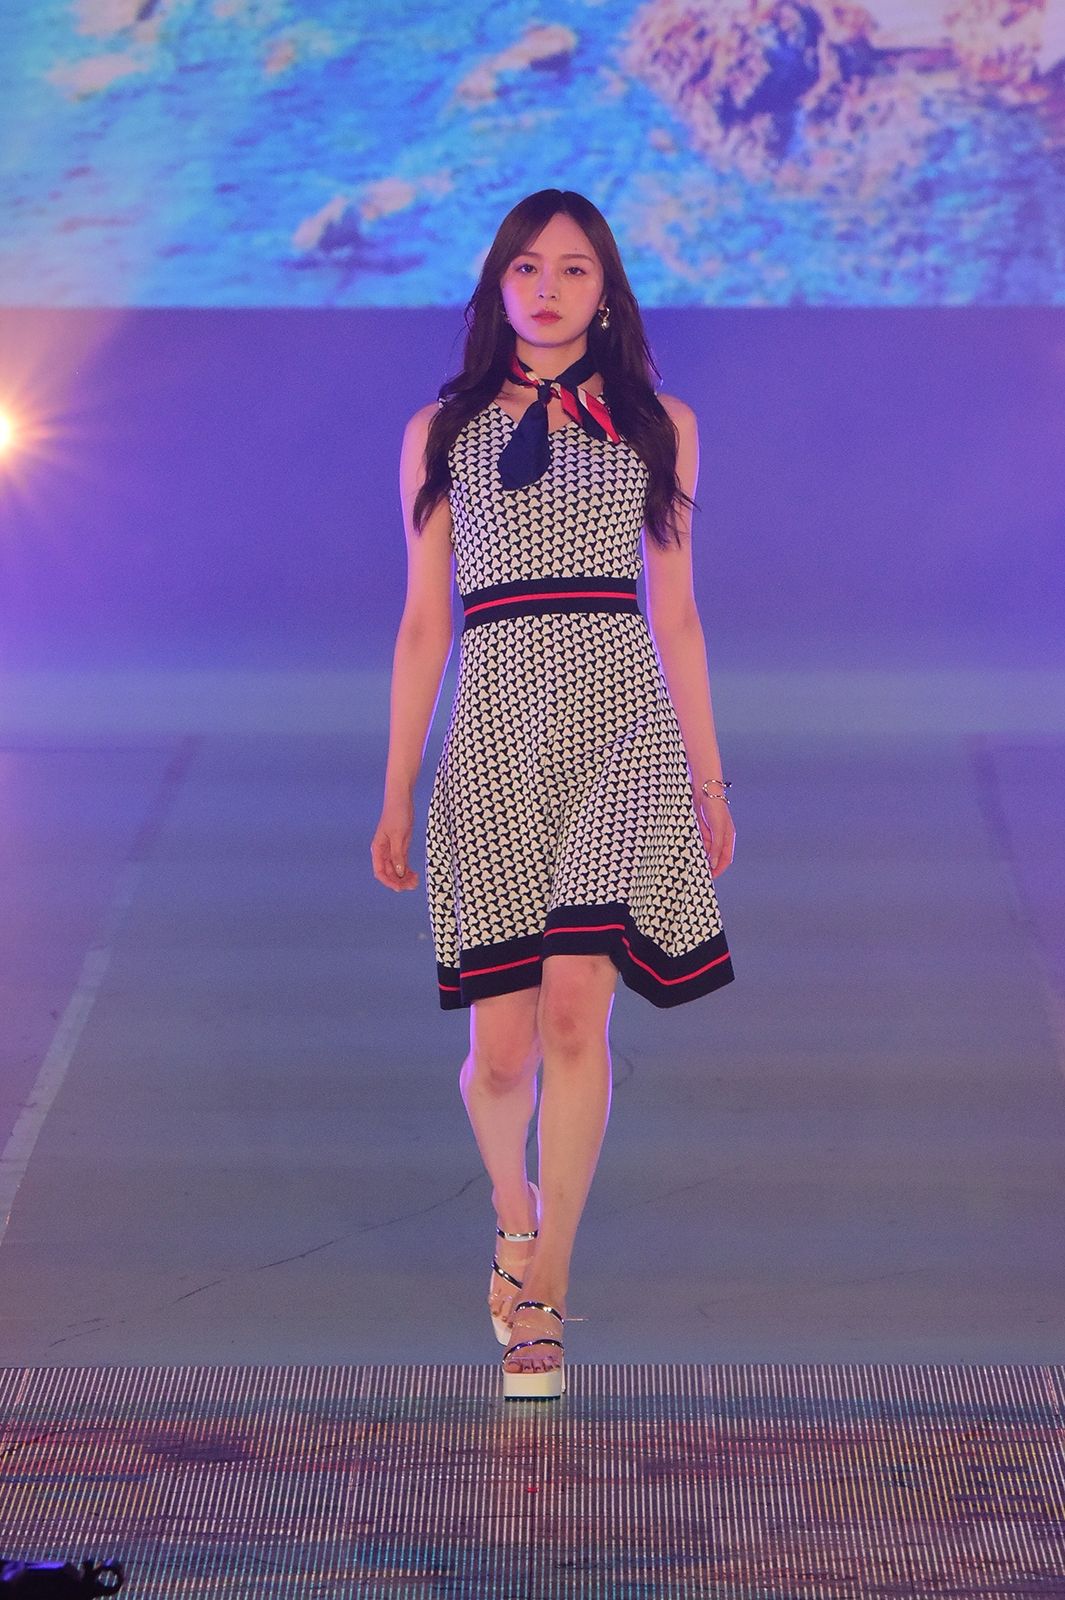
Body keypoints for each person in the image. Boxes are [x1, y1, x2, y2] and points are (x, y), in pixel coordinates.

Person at [371, 189, 736, 1400]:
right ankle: (513, 1211)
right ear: (497, 284)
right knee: (502, 1051)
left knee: (581, 1008)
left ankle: (549, 1287)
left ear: (607, 291)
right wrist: (396, 787)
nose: (548, 288)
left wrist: (707, 777)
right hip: (492, 737)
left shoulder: (659, 423)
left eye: (574, 268)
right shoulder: (440, 432)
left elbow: (677, 612)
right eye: (527, 267)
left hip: (618, 722)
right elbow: (424, 622)